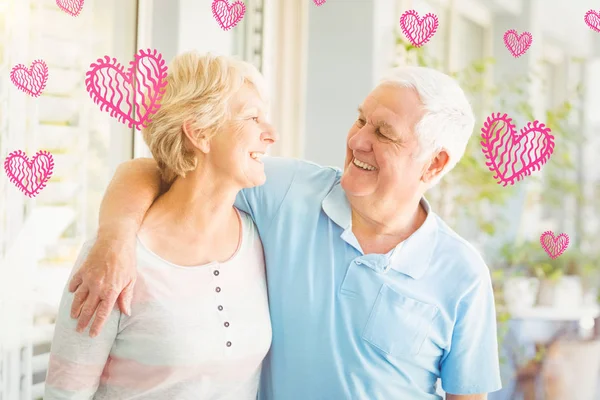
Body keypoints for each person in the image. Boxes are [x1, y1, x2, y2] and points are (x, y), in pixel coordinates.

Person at [66, 66, 502, 400]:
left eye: (384, 133)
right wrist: (115, 236)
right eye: (361, 120)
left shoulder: (462, 274)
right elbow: (156, 169)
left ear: (435, 163)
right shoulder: (286, 192)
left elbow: (467, 394)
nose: (357, 140)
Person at [44, 51, 276, 399]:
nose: (271, 133)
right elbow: (66, 393)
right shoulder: (113, 257)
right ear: (200, 133)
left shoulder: (262, 238)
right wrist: (115, 235)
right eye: (252, 118)